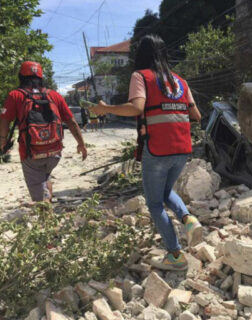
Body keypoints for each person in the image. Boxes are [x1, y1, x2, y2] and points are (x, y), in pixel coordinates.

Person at [90, 35, 203, 271]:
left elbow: (136, 108)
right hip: (182, 149)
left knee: (154, 203)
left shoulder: (140, 76)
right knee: (165, 192)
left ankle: (175, 256)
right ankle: (188, 219)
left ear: (141, 55)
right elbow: (197, 116)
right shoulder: (180, 81)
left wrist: (105, 108)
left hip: (158, 149)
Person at [0, 61, 87, 202]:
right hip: (54, 151)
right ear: (41, 78)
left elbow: (4, 121)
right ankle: (48, 204)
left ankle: (45, 216)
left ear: (21, 76)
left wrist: (3, 141)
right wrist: (81, 144)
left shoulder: (15, 95)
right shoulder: (54, 95)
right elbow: (71, 122)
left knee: (37, 185)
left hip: (31, 152)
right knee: (45, 176)